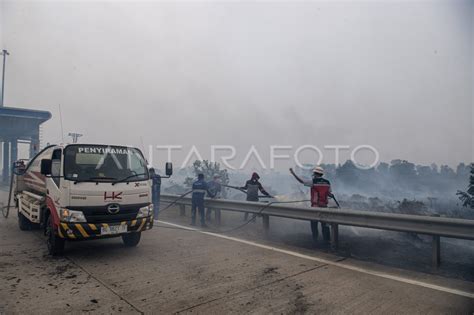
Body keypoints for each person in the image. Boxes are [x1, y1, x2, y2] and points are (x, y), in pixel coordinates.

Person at [290, 166, 333, 242]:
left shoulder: (313, 182)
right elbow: (329, 193)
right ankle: (327, 241)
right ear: (321, 174)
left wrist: (293, 173)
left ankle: (315, 240)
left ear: (315, 174)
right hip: (325, 206)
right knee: (325, 226)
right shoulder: (327, 182)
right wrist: (329, 195)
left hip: (315, 207)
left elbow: (301, 181)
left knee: (314, 224)